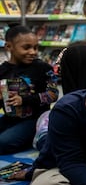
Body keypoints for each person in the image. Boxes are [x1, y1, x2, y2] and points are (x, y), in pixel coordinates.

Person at [0, 24, 59, 154]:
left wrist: (24, 100)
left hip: (35, 119)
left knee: (2, 143)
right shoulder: (2, 70)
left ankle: (34, 137)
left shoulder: (44, 68)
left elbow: (53, 94)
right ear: (9, 46)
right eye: (26, 48)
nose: (33, 52)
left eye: (35, 47)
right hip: (9, 117)